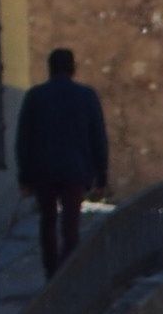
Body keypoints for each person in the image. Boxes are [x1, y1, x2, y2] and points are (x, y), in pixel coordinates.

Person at [14, 47, 108, 278]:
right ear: (73, 68)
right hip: (75, 170)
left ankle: (50, 271)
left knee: (47, 222)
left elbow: (23, 139)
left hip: (43, 170)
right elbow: (98, 137)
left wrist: (24, 177)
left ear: (50, 68)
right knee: (71, 225)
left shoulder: (35, 96)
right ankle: (68, 273)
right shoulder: (86, 96)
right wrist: (102, 176)